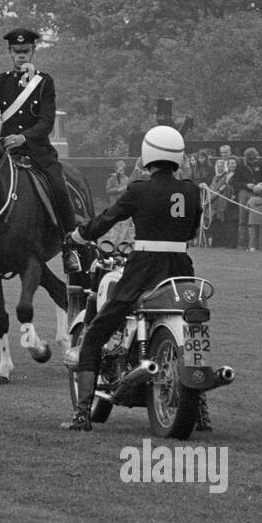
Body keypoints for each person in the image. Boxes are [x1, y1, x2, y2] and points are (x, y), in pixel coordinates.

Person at [63, 126, 201, 431]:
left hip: (143, 270)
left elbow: (107, 219)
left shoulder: (138, 189)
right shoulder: (192, 190)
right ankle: (200, 412)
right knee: (192, 332)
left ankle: (82, 413)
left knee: (96, 333)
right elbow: (192, 231)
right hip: (181, 269)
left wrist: (79, 234)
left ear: (148, 154)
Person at [0, 28, 80, 276]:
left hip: (38, 152)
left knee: (58, 186)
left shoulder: (44, 82)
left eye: (26, 51)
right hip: (5, 153)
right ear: (10, 52)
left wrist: (24, 137)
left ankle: (69, 246)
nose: (21, 56)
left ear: (33, 51)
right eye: (17, 52)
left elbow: (46, 122)